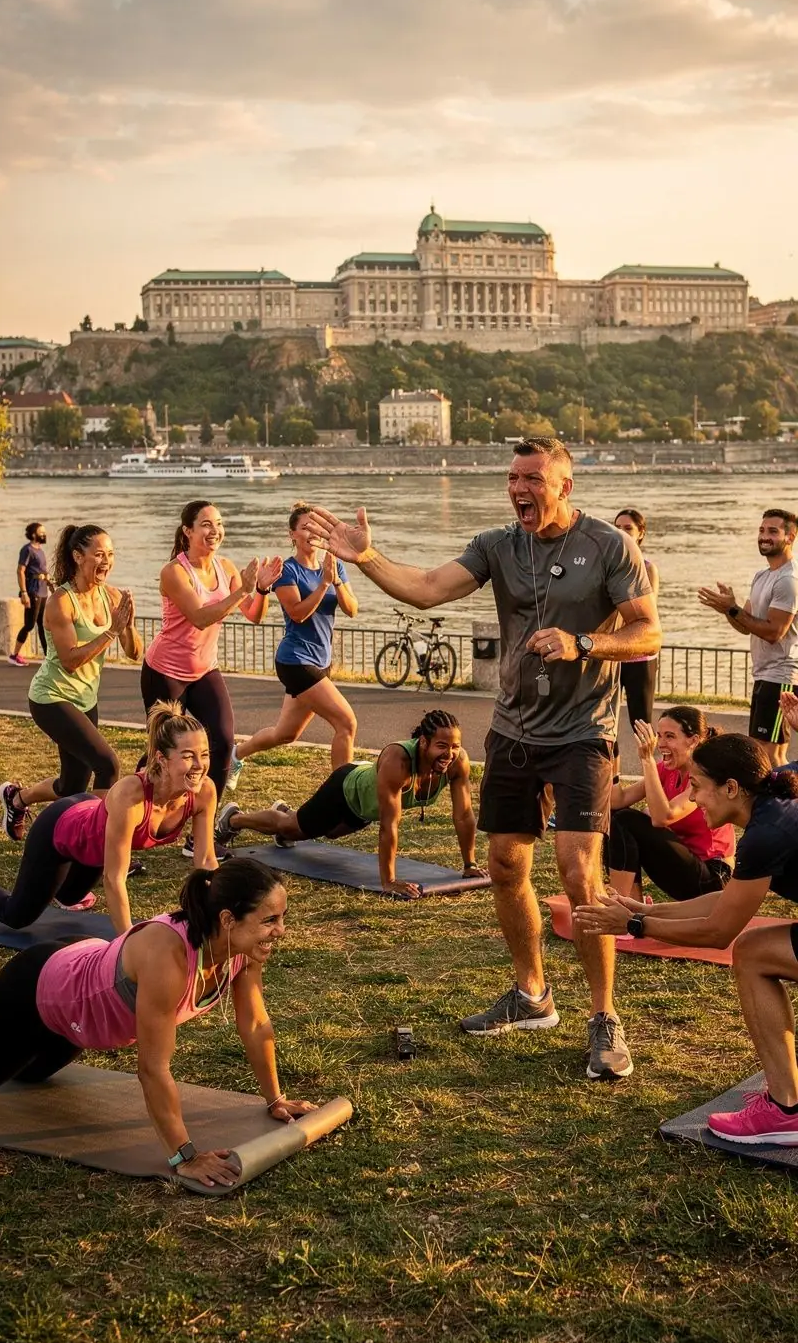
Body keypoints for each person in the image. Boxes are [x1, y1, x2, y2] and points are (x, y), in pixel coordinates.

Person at [307, 437, 661, 1080]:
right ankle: (533, 995)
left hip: (584, 729)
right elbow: (426, 589)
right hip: (513, 728)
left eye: (532, 478)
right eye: (512, 477)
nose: (518, 487)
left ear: (563, 486)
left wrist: (583, 642)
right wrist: (366, 557)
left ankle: (604, 1016)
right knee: (504, 863)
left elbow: (648, 630)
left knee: (579, 872)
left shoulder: (611, 545)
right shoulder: (498, 544)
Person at [0, 857, 316, 1189]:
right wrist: (184, 1156)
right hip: (36, 989)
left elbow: (256, 1025)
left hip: (81, 981)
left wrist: (276, 1100)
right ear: (228, 919)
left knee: (32, 1076)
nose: (281, 931)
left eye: (283, 917)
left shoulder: (243, 949)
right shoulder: (167, 955)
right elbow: (153, 1068)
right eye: (270, 920)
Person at [576, 732, 798, 1144]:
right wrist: (648, 910)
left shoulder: (766, 835)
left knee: (751, 952)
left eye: (697, 787)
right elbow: (726, 901)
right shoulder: (777, 788)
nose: (693, 799)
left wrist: (633, 927)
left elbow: (719, 932)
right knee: (755, 950)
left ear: (731, 787)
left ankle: (786, 1112)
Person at [0, 702, 217, 935]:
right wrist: (129, 943)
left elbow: (206, 860)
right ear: (162, 759)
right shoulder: (131, 795)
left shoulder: (204, 792)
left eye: (204, 755)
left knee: (68, 896)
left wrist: (224, 910)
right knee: (16, 915)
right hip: (58, 830)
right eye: (188, 756)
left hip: (94, 840)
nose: (200, 765)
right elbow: (114, 878)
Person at [217, 709, 484, 898]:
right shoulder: (398, 761)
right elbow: (390, 826)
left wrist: (469, 864)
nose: (449, 753)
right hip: (345, 789)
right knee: (294, 829)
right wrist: (389, 881)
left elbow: (463, 815)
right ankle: (234, 818)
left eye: (455, 746)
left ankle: (284, 813)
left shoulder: (456, 762)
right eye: (441, 746)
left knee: (330, 833)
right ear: (423, 742)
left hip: (364, 805)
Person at [141, 500, 281, 855]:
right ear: (188, 531)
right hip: (165, 673)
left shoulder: (227, 567)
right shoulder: (174, 572)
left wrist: (260, 590)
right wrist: (243, 590)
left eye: (218, 523)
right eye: (205, 524)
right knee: (161, 754)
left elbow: (253, 615)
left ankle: (201, 835)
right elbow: (201, 617)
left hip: (204, 670)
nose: (214, 530)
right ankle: (134, 820)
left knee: (222, 744)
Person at [0, 523, 142, 848]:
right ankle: (102, 846)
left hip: (85, 699)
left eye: (111, 555)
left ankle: (17, 798)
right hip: (52, 699)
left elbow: (134, 653)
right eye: (99, 554)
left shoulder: (113, 596)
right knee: (107, 764)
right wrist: (110, 632)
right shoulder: (60, 602)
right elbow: (70, 660)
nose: (106, 561)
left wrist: (127, 626)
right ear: (78, 556)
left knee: (72, 785)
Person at [229, 502, 359, 782]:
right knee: (346, 723)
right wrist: (323, 584)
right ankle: (341, 794)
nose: (312, 532)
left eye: (315, 526)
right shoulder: (287, 571)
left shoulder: (332, 564)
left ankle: (235, 754)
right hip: (296, 660)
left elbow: (352, 609)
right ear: (293, 535)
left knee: (285, 733)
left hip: (321, 660)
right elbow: (298, 614)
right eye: (305, 527)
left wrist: (335, 581)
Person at [698, 508, 798, 767]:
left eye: (773, 531)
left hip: (782, 676)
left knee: (771, 753)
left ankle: (786, 804)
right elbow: (746, 625)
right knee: (761, 749)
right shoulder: (762, 576)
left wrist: (733, 609)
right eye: (762, 530)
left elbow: (775, 632)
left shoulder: (789, 580)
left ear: (790, 537)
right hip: (764, 674)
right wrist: (727, 609)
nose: (764, 536)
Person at [608, 707, 735, 904]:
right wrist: (610, 752)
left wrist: (647, 760)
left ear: (693, 740)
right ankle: (632, 904)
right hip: (688, 868)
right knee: (615, 816)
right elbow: (618, 800)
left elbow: (662, 817)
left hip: (714, 878)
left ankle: (619, 906)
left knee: (626, 821)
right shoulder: (667, 770)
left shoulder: (704, 775)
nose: (660, 744)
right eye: (659, 736)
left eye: (670, 736)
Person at [613, 509, 660, 731]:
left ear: (640, 533)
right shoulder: (608, 567)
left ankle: (647, 766)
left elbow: (646, 615)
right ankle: (612, 767)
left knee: (641, 722)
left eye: (628, 528)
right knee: (605, 719)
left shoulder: (648, 568)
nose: (621, 532)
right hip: (611, 653)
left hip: (639, 656)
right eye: (617, 527)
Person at [9, 521, 51, 665]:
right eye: (42, 532)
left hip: (43, 590)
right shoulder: (27, 550)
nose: (44, 534)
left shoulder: (40, 550)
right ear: (34, 534)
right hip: (33, 591)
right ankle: (14, 655)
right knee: (29, 625)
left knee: (43, 625)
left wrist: (49, 581)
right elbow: (20, 570)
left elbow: (42, 570)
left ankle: (48, 657)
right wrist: (24, 592)